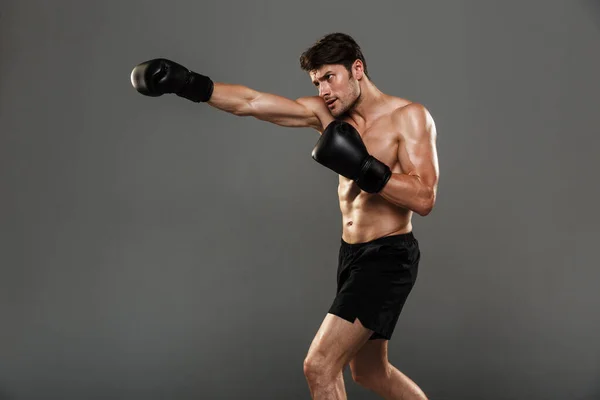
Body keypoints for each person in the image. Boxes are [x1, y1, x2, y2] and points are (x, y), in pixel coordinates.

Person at [131, 32, 439, 400]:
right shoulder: (329, 115)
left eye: (330, 77)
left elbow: (424, 198)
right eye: (316, 82)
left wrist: (365, 167)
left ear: (357, 69)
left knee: (320, 366)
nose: (323, 90)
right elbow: (251, 102)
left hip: (388, 258)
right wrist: (189, 84)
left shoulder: (409, 117)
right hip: (352, 256)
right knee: (370, 372)